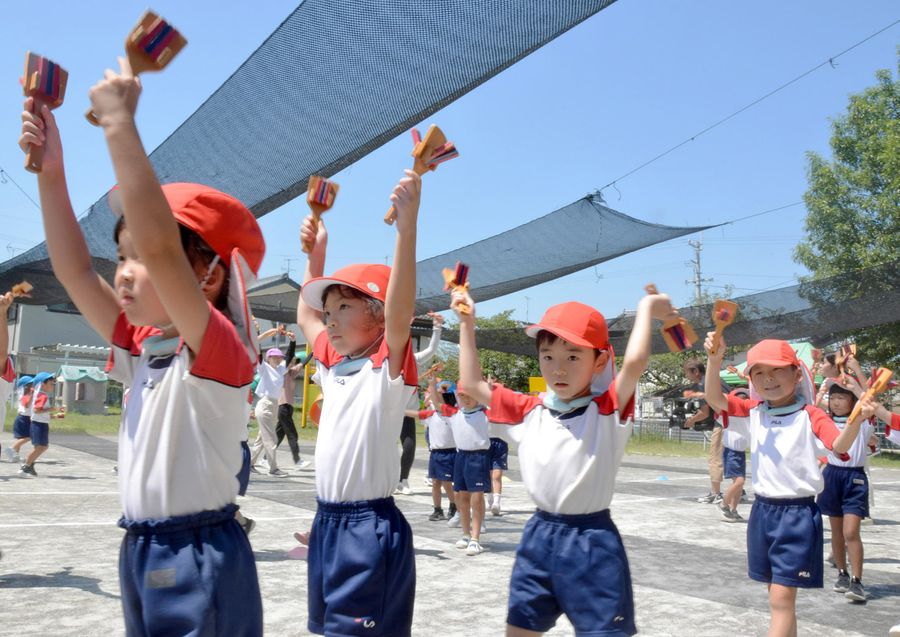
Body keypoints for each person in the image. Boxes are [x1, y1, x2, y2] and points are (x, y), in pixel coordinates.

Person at [20, 58, 263, 634]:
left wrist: (118, 125)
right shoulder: (141, 345)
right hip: (142, 547)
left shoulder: (219, 352)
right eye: (121, 255)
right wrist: (51, 173)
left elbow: (159, 247)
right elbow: (77, 269)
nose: (125, 271)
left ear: (207, 279)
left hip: (199, 554)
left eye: (140, 257)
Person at [454, 288, 677, 636]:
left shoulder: (607, 410)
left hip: (592, 541)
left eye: (573, 357)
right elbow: (470, 383)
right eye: (547, 356)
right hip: (538, 537)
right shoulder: (530, 410)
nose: (558, 369)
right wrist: (467, 323)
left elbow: (634, 363)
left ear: (599, 362)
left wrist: (646, 309)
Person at [295, 167, 421, 636]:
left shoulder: (385, 364)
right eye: (329, 311)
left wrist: (406, 232)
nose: (329, 321)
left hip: (370, 527)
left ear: (377, 315)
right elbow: (305, 315)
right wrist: (317, 254)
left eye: (343, 307)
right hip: (328, 521)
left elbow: (402, 311)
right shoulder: (333, 364)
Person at [702, 336, 875, 637]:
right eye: (759, 372)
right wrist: (714, 360)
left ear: (797, 375)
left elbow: (838, 445)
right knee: (777, 599)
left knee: (781, 600)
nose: (768, 379)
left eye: (777, 370)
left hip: (796, 516)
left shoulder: (811, 415)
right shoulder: (754, 411)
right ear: (751, 378)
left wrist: (856, 421)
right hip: (761, 512)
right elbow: (715, 399)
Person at [816, 381, 875, 602]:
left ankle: (857, 582)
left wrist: (854, 373)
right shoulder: (826, 421)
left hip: (854, 478)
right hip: (831, 475)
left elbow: (869, 399)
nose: (837, 402)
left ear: (853, 401)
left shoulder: (861, 421)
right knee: (837, 532)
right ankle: (842, 573)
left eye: (842, 398)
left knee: (851, 532)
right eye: (833, 398)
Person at [396, 312, 444, 495]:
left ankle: (403, 480)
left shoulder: (414, 360)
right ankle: (385, 479)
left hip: (408, 413)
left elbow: (431, 349)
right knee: (384, 448)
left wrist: (437, 327)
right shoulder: (388, 361)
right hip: (388, 412)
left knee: (409, 446)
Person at [683, 359, 729, 504]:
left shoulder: (702, 384)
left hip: (724, 421)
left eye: (687, 373)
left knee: (715, 457)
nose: (686, 376)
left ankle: (716, 494)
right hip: (739, 419)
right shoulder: (717, 379)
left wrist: (691, 421)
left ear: (696, 372)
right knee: (731, 455)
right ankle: (739, 491)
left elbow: (704, 412)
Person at [250, 347, 290, 476]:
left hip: (274, 405)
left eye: (280, 357)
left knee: (261, 438)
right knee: (270, 438)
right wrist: (258, 332)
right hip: (265, 405)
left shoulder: (280, 369)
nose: (279, 359)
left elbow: (289, 356)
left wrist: (293, 341)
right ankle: (273, 469)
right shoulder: (264, 368)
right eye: (276, 357)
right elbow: (258, 353)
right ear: (269, 358)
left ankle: (249, 464)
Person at [719, 387, 750, 522]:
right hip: (731, 452)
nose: (741, 401)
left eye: (744, 398)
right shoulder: (726, 415)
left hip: (740, 453)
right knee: (739, 481)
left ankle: (733, 509)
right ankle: (723, 504)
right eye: (739, 398)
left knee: (739, 484)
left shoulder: (749, 417)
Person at [19, 372, 55, 477]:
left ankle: (30, 465)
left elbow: (39, 411)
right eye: (51, 383)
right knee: (41, 447)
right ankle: (26, 467)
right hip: (39, 425)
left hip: (39, 423)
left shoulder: (39, 395)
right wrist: (50, 409)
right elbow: (37, 410)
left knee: (41, 447)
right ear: (42, 384)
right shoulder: (42, 396)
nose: (53, 385)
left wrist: (53, 416)